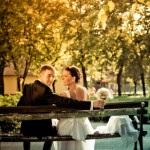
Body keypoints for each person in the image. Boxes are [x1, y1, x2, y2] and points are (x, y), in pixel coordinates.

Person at [17, 64, 105, 150]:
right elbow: (65, 101)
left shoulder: (27, 87)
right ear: (41, 75)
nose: (52, 79)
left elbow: (19, 106)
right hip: (42, 130)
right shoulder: (45, 91)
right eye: (49, 76)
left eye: (53, 76)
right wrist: (91, 104)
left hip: (26, 128)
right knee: (54, 129)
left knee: (55, 124)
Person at [52, 66, 95, 150]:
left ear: (73, 78)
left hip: (68, 126)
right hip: (84, 125)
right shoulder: (85, 91)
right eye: (63, 76)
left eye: (65, 76)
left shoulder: (65, 94)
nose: (62, 78)